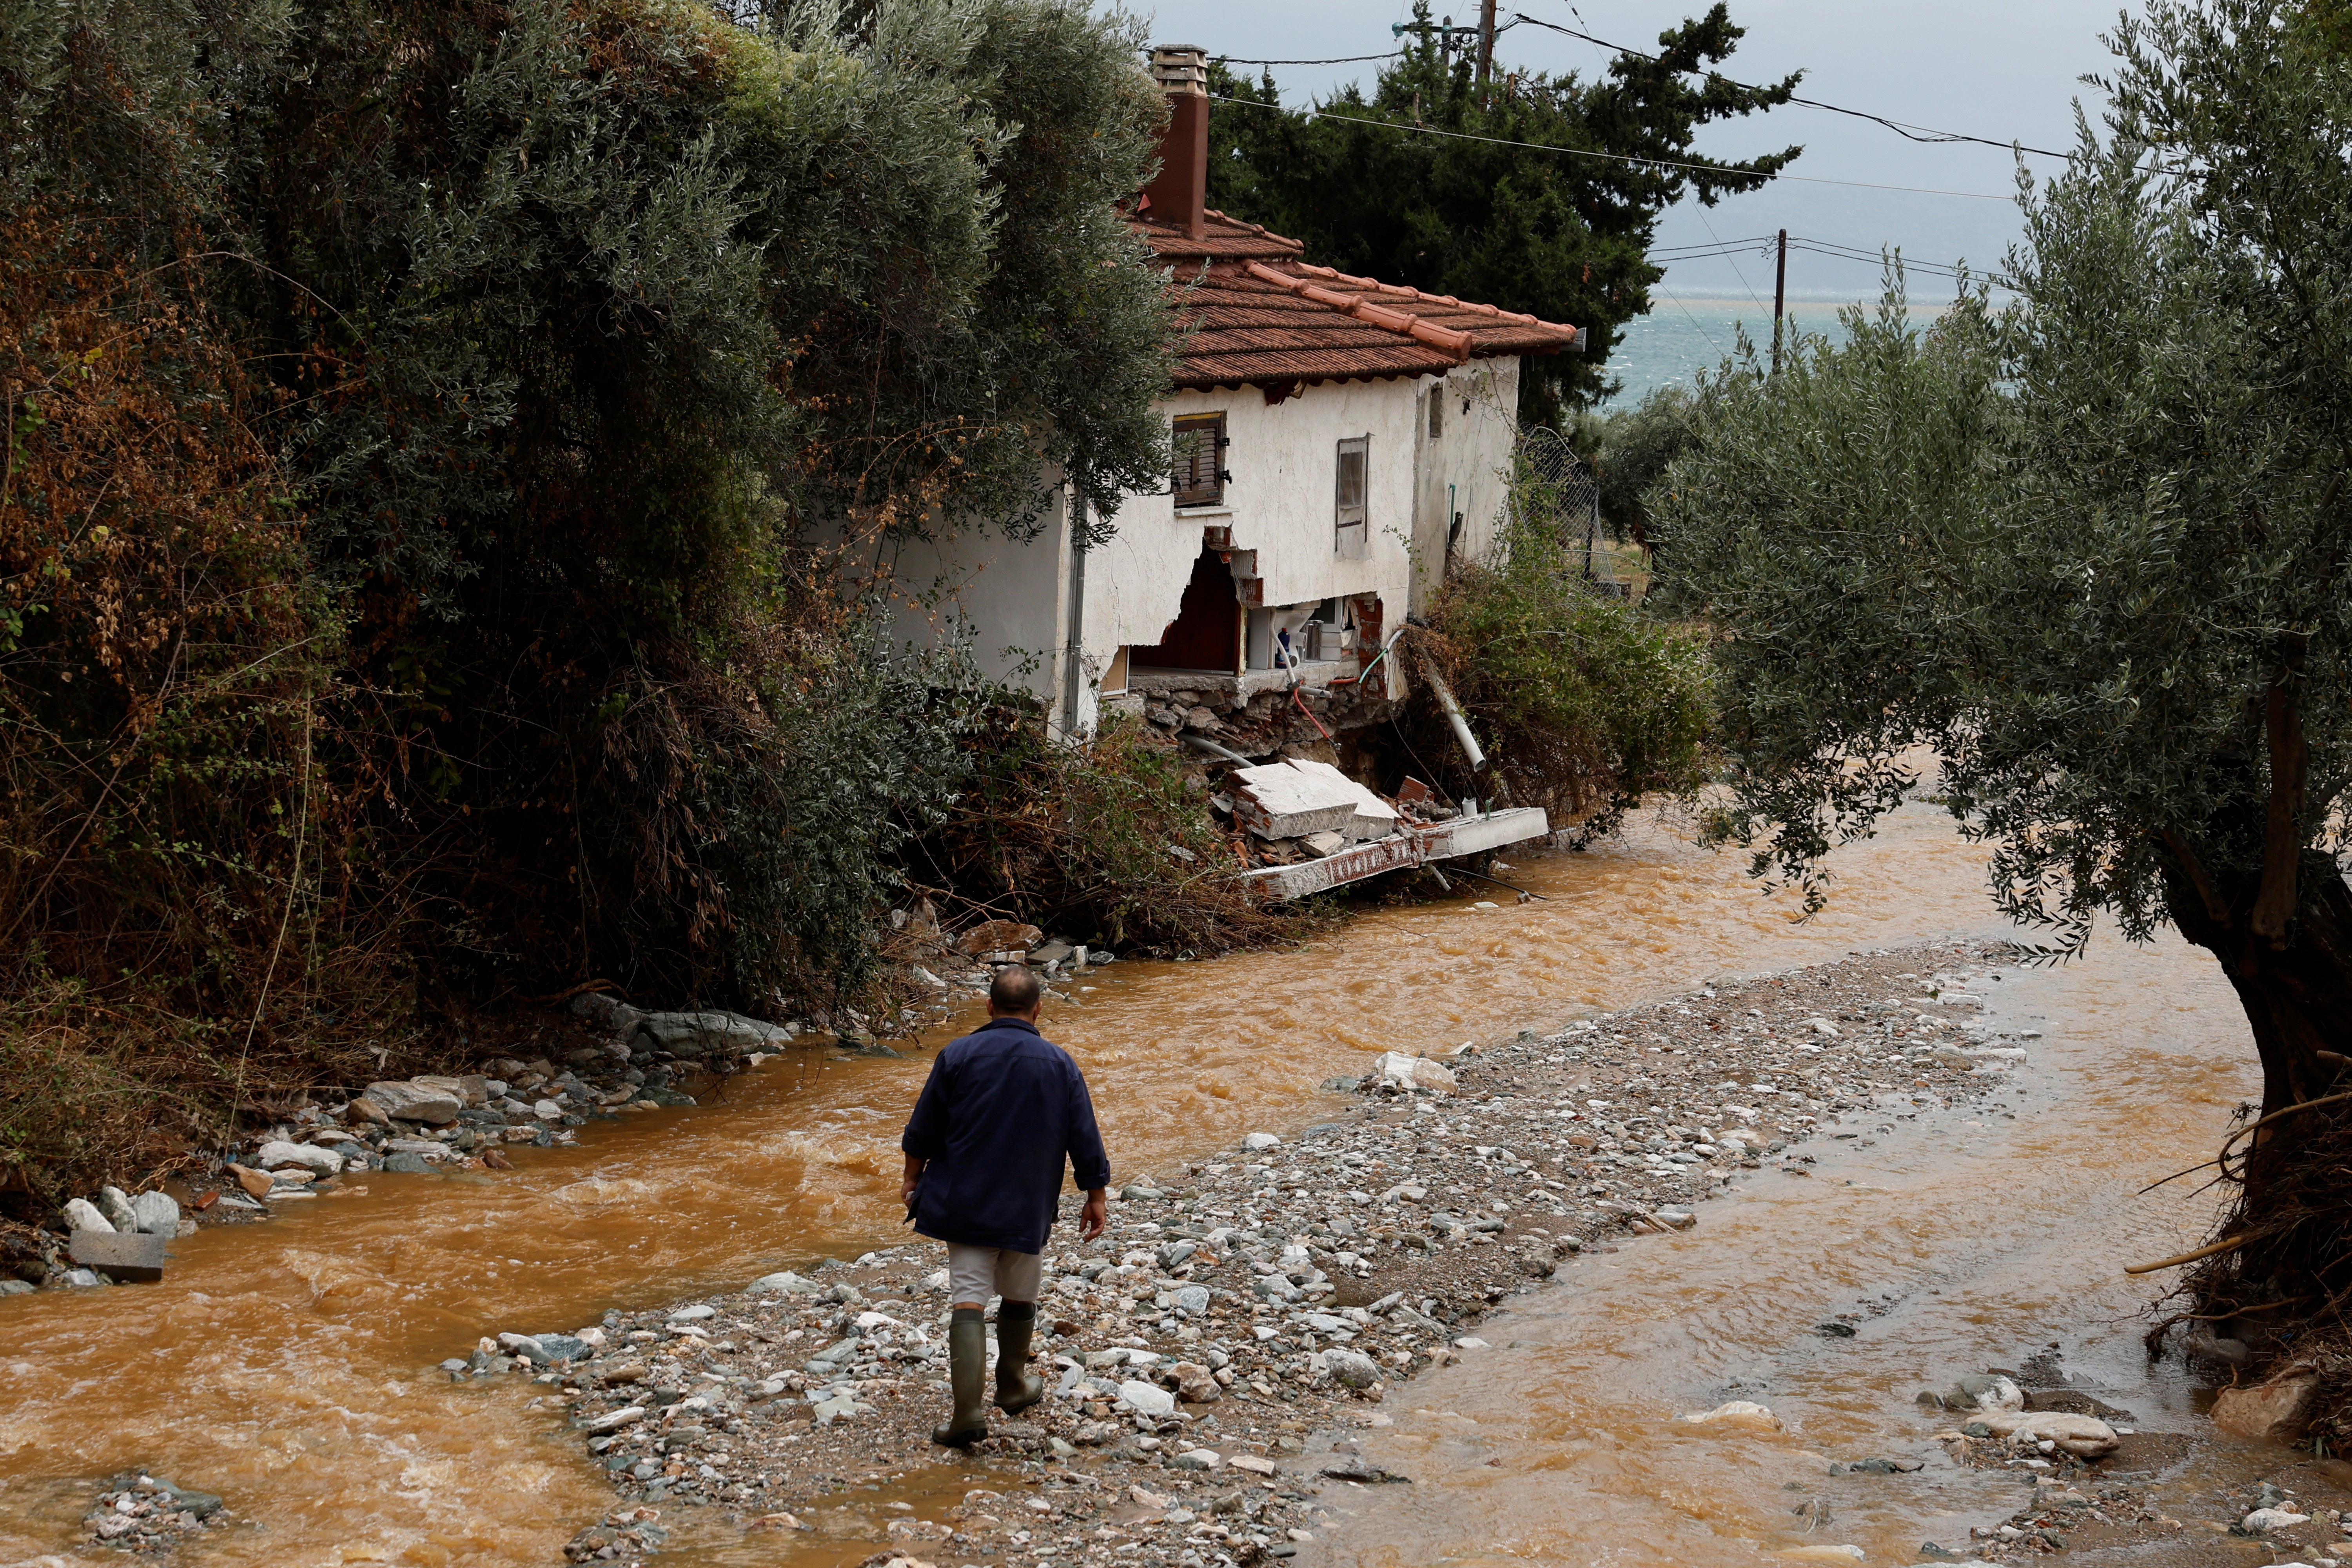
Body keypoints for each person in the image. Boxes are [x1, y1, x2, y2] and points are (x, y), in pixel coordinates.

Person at [900, 963, 1110, 1447]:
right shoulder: (1060, 1063)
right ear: (1039, 1010)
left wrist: (913, 1176)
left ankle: (968, 1414)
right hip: (1029, 1200)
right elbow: (1085, 1134)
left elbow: (924, 1127)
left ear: (990, 1007)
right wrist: (1095, 1194)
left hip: (965, 1200)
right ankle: (1013, 1386)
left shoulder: (957, 1054)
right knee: (1020, 1293)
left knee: (969, 1298)